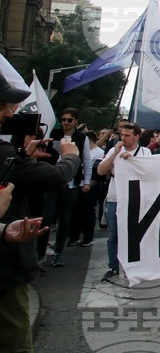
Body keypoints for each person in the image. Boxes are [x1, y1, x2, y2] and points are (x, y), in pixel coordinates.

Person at [0, 74, 81, 351]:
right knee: (14, 341)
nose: (10, 112)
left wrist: (22, 155)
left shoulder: (10, 154)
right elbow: (56, 178)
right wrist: (71, 156)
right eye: (5, 105)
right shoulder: (2, 153)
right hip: (4, 269)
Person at [96, 122, 150, 281]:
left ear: (136, 137)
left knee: (135, 234)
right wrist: (115, 154)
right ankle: (113, 266)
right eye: (122, 135)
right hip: (115, 198)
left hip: (136, 198)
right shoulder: (114, 150)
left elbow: (149, 172)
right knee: (113, 235)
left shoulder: (145, 152)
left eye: (127, 135)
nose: (123, 138)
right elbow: (100, 171)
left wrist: (133, 160)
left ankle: (135, 265)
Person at [48, 109, 93, 268]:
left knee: (65, 220)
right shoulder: (53, 134)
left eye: (69, 120)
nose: (66, 123)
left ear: (75, 121)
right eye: (63, 119)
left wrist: (86, 181)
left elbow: (86, 160)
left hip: (71, 183)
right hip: (52, 182)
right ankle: (41, 254)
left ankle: (58, 254)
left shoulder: (81, 138)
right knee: (47, 218)